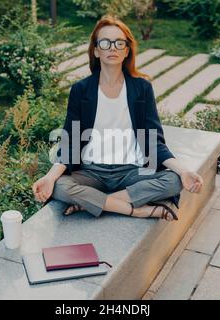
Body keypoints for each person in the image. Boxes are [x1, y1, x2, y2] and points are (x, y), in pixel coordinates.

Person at [32, 15, 203, 221]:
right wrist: (50, 177)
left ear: (126, 50)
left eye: (119, 42)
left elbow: (153, 141)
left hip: (132, 170)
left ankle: (91, 204)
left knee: (174, 181)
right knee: (60, 186)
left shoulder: (142, 88)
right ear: (96, 50)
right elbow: (71, 141)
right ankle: (137, 210)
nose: (112, 47)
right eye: (105, 42)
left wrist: (184, 171)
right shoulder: (81, 90)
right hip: (91, 171)